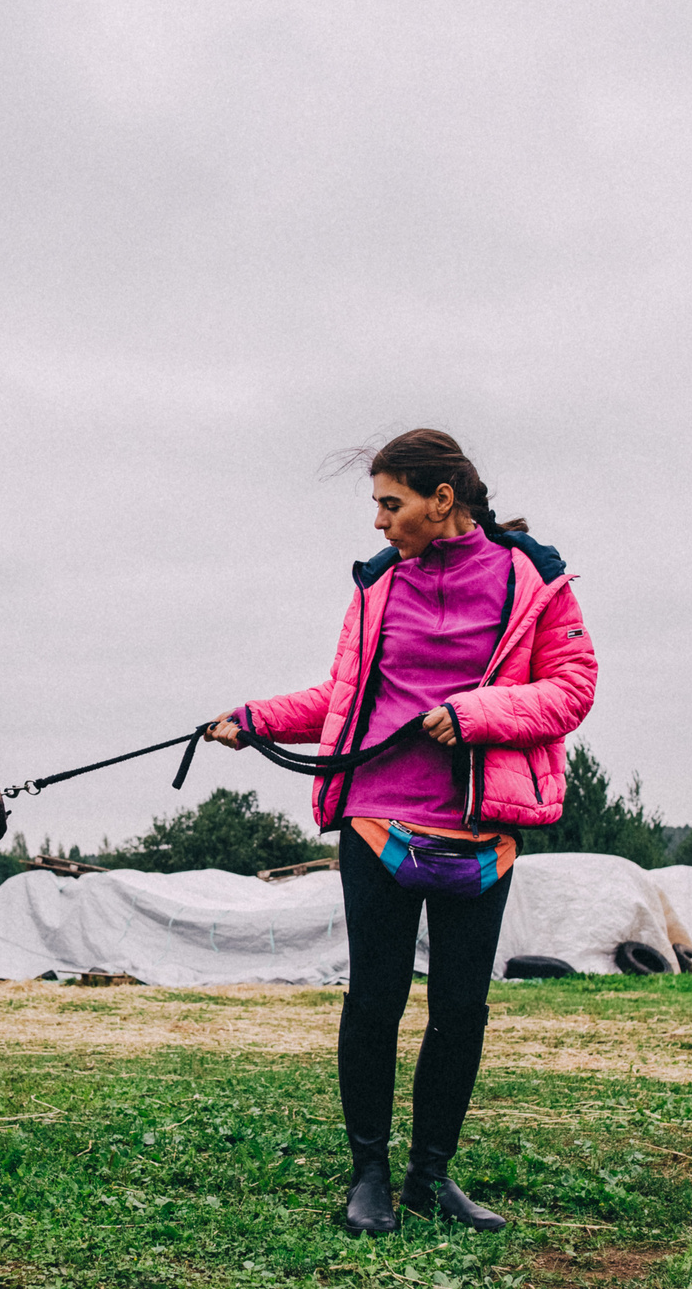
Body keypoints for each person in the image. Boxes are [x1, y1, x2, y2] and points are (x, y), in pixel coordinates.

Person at [207, 430, 597, 1235]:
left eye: (392, 503)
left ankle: (430, 1177)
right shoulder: (378, 587)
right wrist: (254, 719)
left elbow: (572, 687)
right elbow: (344, 698)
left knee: (462, 1010)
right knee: (375, 1000)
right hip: (378, 822)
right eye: (378, 505)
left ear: (441, 499)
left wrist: (475, 712)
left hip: (482, 831)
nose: (380, 522)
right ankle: (369, 1178)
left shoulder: (537, 581)